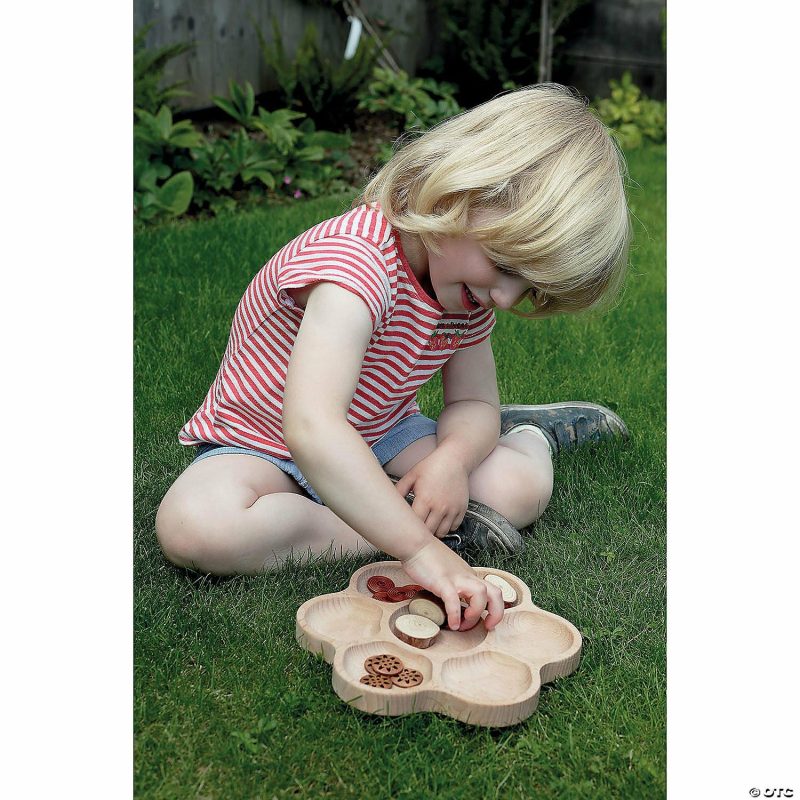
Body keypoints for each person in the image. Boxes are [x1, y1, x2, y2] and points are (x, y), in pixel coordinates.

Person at [155, 83, 631, 634]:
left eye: (527, 287)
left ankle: (528, 435)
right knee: (196, 527)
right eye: (505, 265)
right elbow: (311, 426)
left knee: (517, 488)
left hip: (382, 434)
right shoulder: (354, 266)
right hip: (263, 443)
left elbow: (474, 400)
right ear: (460, 194)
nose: (505, 298)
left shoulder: (463, 288)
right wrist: (421, 550)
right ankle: (383, 526)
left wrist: (452, 459)